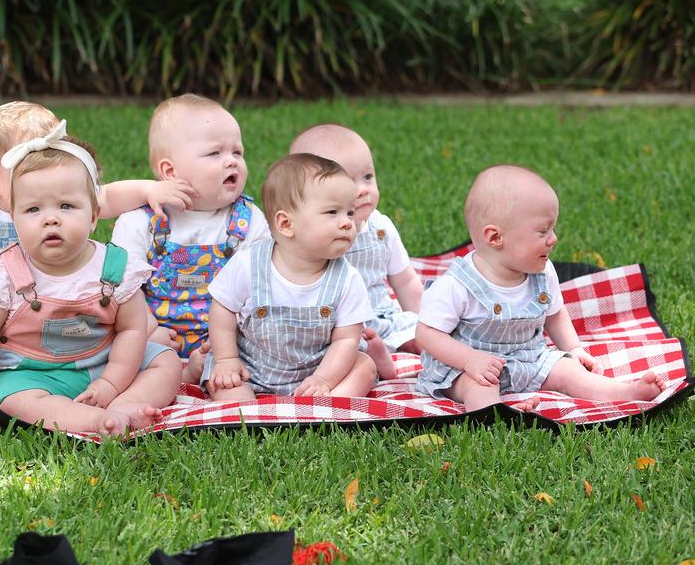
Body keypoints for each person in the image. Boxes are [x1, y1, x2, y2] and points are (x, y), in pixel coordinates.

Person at [0, 101, 193, 378]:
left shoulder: (65, 197)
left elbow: (107, 196)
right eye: (31, 167)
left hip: (44, 311)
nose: (49, 175)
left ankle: (137, 336)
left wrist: (149, 190)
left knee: (108, 300)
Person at [0, 123, 182, 434]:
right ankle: (95, 421)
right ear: (15, 219)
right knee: (16, 401)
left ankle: (125, 405)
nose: (51, 218)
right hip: (34, 372)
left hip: (108, 360)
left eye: (66, 206)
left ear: (92, 216)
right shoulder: (7, 273)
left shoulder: (115, 269)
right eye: (33, 209)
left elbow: (131, 330)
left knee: (166, 364)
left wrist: (111, 382)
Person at [415, 165, 662, 411]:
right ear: (495, 238)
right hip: (466, 366)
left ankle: (624, 392)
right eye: (543, 231)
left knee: (570, 371)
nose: (553, 238)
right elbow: (427, 334)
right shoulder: (457, 285)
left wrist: (573, 349)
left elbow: (555, 315)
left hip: (529, 358)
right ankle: (496, 414)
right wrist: (470, 360)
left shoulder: (543, 272)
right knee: (477, 386)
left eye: (552, 229)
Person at [110, 94, 271, 382]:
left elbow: (260, 287)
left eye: (237, 152)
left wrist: (226, 343)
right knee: (128, 355)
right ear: (170, 171)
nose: (231, 162)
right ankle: (176, 375)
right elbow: (124, 290)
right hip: (156, 335)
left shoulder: (248, 221)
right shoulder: (140, 223)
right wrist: (149, 330)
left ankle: (207, 370)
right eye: (215, 154)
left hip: (227, 341)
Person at [204, 154, 376, 402]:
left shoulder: (347, 279)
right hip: (250, 366)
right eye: (332, 212)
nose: (347, 223)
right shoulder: (248, 264)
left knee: (364, 366)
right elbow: (222, 310)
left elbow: (347, 339)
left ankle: (326, 406)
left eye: (350, 213)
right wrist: (227, 359)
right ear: (286, 224)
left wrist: (323, 379)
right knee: (226, 385)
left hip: (320, 368)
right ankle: (246, 410)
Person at [288, 123, 422, 378]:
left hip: (380, 317)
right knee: (331, 353)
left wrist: (427, 324)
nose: (362, 189)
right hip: (328, 326)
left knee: (422, 337)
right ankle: (373, 359)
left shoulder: (380, 228)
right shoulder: (308, 235)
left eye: (368, 177)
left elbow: (405, 281)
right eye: (347, 181)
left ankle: (398, 347)